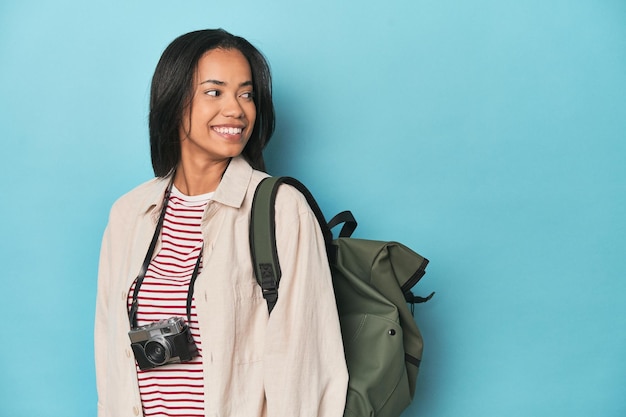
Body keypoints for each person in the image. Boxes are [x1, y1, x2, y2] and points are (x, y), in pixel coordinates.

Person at [95, 29, 348, 417]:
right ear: (173, 100)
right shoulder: (129, 214)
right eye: (214, 92)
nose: (236, 109)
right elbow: (111, 358)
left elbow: (306, 364)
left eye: (246, 94)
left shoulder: (281, 209)